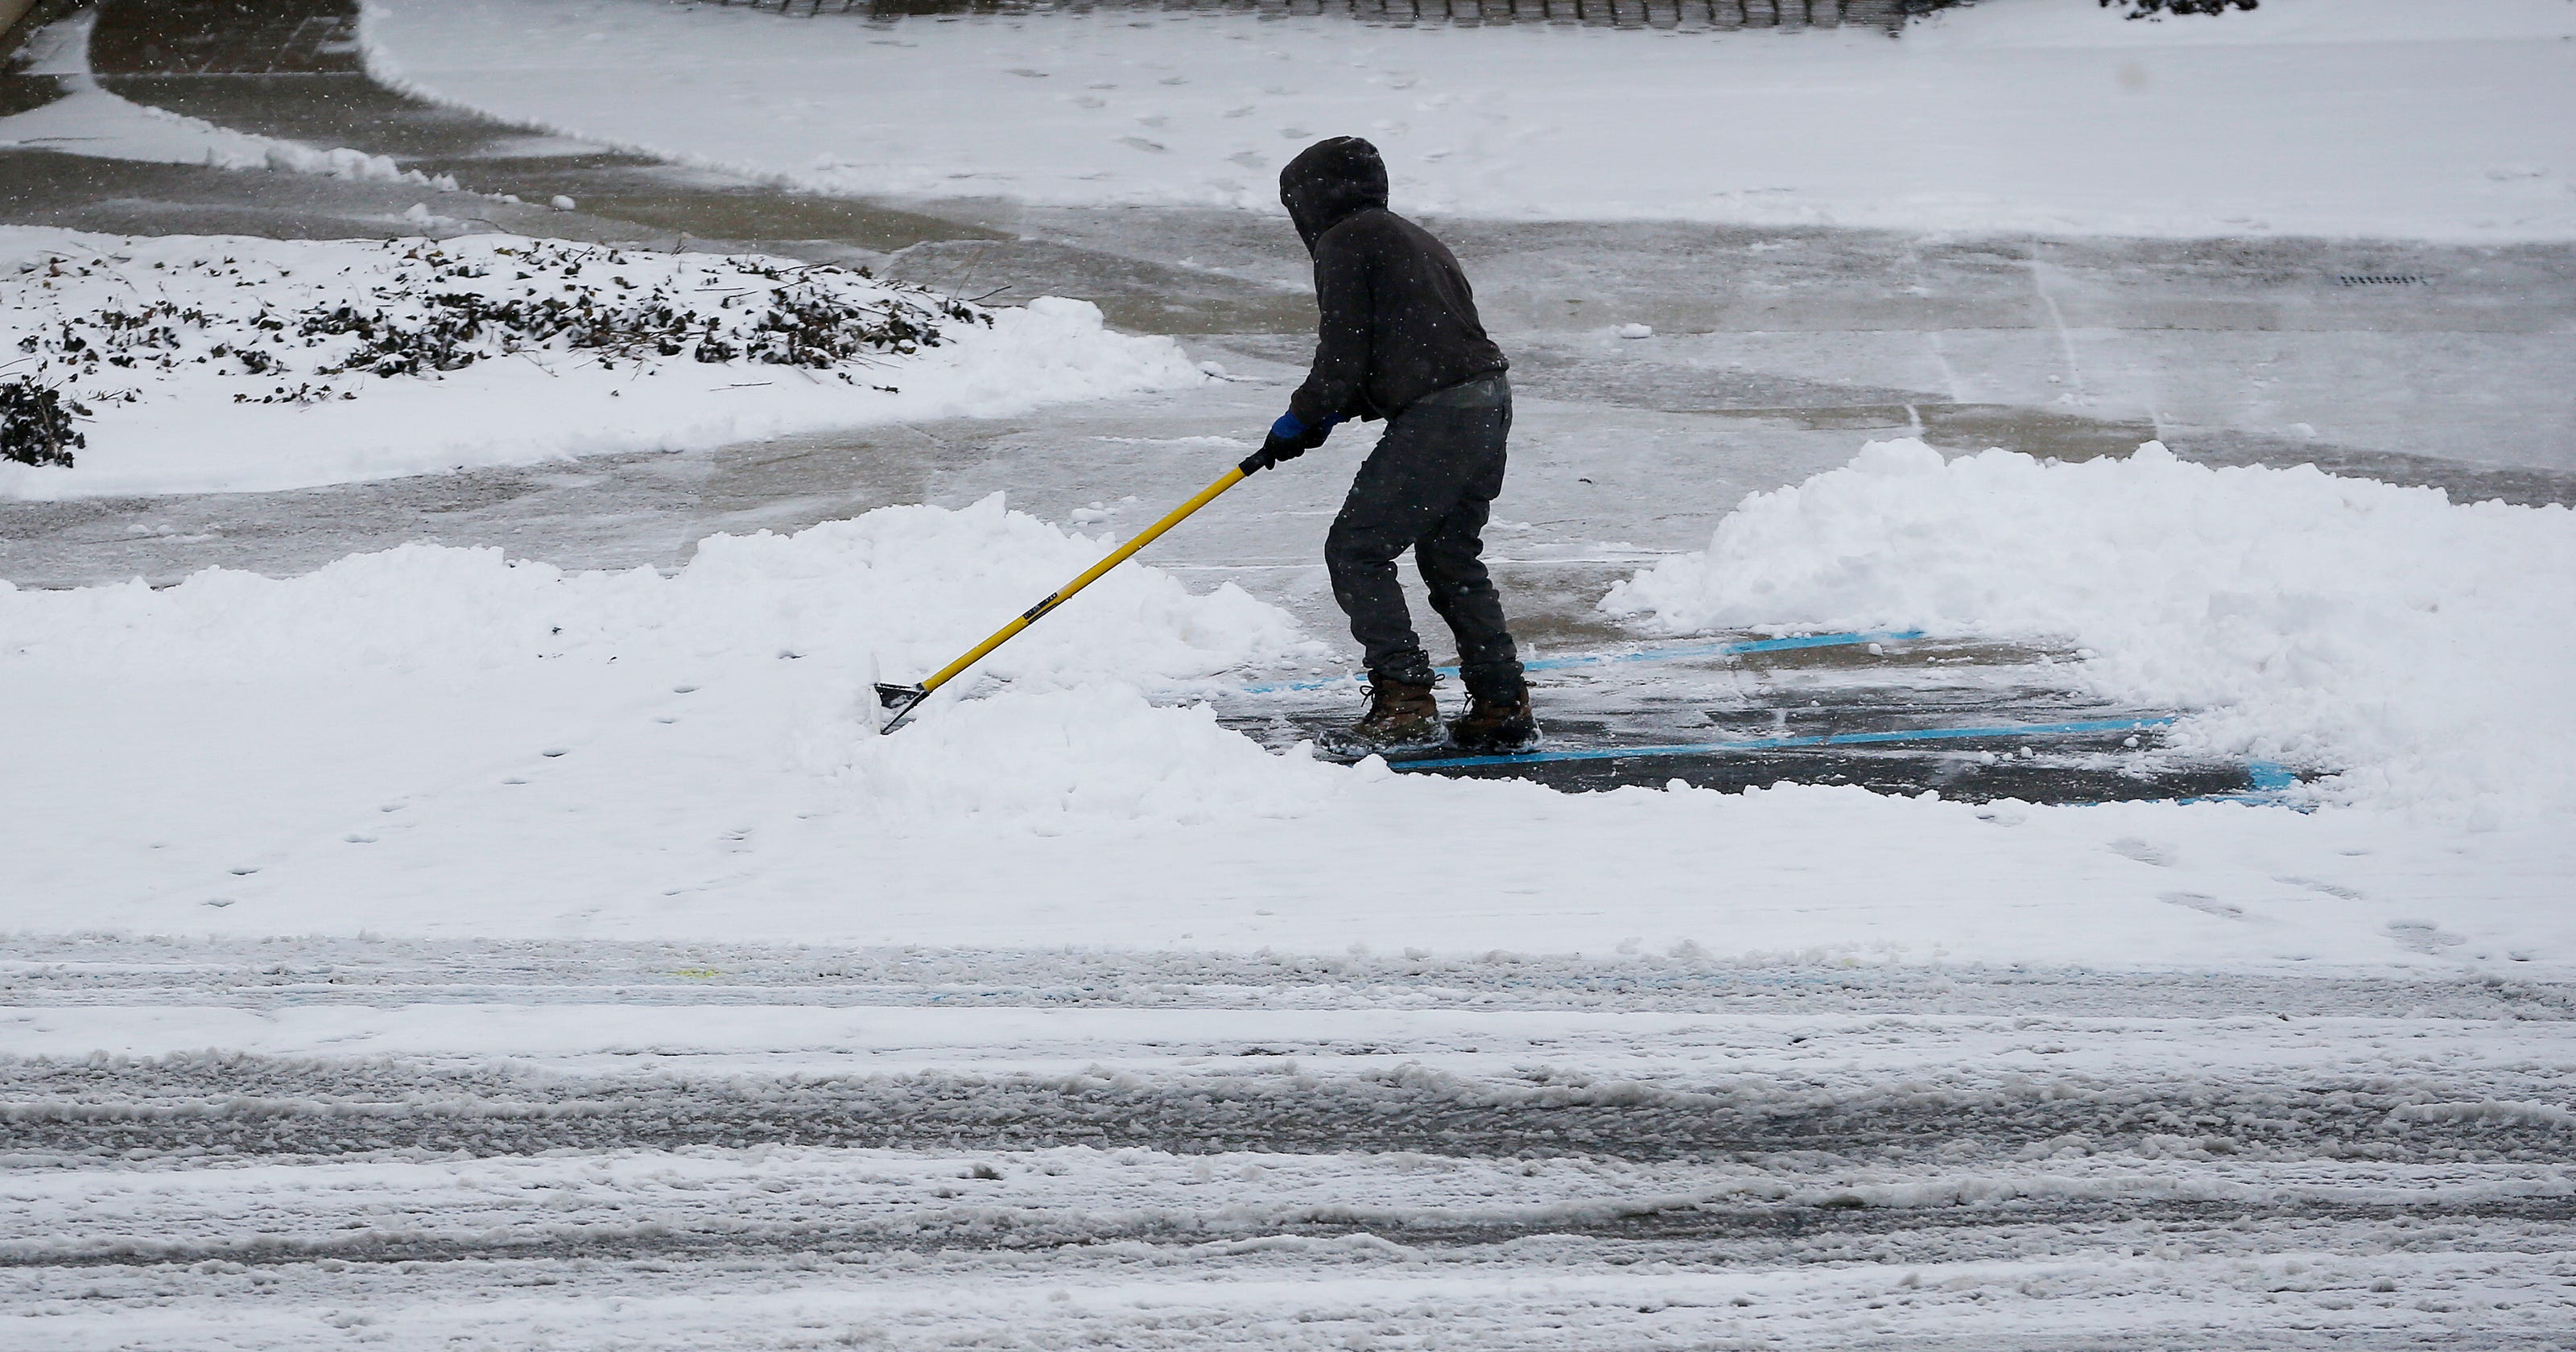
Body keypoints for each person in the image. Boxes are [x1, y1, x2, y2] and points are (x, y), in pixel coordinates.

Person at [1245, 136, 1538, 759]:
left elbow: (1343, 354)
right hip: (1488, 400)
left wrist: (1303, 417)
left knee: (1356, 549)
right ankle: (1501, 700)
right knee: (1451, 558)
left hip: (1441, 414)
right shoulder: (1410, 236)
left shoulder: (1345, 241)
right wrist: (1331, 412)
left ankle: (1403, 698)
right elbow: (1406, 348)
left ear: (1311, 199)